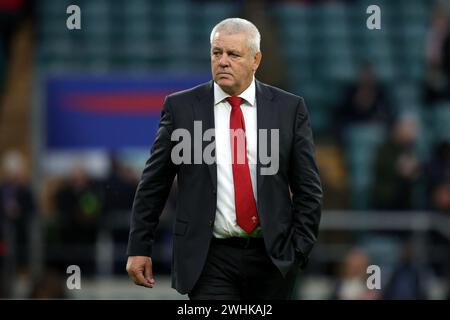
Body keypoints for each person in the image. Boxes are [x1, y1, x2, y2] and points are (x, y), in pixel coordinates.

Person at [126, 18, 322, 300]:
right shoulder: (181, 108)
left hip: (272, 259)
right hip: (208, 259)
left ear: (256, 60)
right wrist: (139, 247)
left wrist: (299, 250)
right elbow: (153, 184)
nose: (223, 61)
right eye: (217, 53)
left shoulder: (289, 109)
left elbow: (309, 189)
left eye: (233, 54)